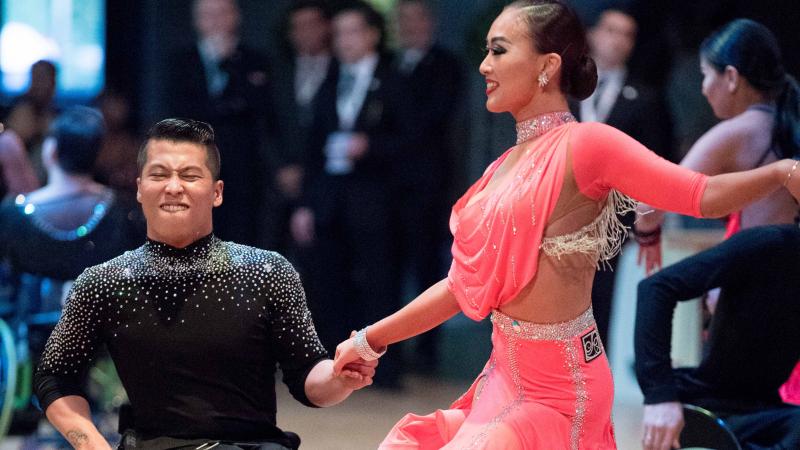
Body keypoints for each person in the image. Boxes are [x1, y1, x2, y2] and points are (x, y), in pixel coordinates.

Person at [332, 1, 800, 448]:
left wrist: (783, 172)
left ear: (547, 65)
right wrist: (369, 340)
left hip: (560, 392)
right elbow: (461, 287)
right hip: (503, 379)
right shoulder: (503, 167)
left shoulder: (587, 144)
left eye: (499, 50)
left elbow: (700, 194)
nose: (483, 66)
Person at [33, 118, 377, 450]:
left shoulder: (268, 271)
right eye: (159, 174)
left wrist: (337, 378)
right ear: (140, 189)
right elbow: (54, 378)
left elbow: (307, 376)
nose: (173, 186)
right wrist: (93, 445)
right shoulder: (102, 282)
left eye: (189, 175)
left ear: (216, 192)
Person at [634, 18, 800, 405]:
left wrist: (647, 233)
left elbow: (656, 201)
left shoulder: (737, 132)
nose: (703, 89)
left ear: (731, 77)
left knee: (739, 414)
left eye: (705, 76)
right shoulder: (789, 121)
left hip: (756, 293)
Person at [291, 1, 407, 388]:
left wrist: (369, 146)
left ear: (373, 34)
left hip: (375, 198)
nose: (344, 41)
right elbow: (312, 146)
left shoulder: (395, 80)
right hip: (329, 197)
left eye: (353, 32)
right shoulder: (330, 78)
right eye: (339, 33)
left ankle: (385, 368)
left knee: (378, 281)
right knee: (326, 279)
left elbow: (414, 141)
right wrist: (306, 204)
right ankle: (333, 363)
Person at [635, 225, 800, 450]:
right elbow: (656, 288)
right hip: (706, 407)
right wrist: (659, 395)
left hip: (766, 413)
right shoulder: (773, 243)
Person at [573, 7, 675, 350]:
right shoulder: (566, 89)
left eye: (627, 34)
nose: (617, 40)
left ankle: (590, 384)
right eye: (611, 30)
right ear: (593, 34)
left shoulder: (644, 98)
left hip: (611, 221)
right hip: (559, 213)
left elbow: (655, 162)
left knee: (599, 304)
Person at [390, 0, 465, 370]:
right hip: (387, 183)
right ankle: (391, 347)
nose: (409, 27)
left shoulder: (445, 66)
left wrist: (388, 137)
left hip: (426, 184)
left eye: (416, 20)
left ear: (430, 24)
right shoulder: (389, 64)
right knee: (389, 264)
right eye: (403, 21)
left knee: (425, 266)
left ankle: (426, 352)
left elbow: (432, 119)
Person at [165, 0, 273, 247]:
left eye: (222, 13)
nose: (215, 21)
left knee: (242, 236)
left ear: (236, 16)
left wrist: (229, 66)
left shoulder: (256, 61)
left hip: (243, 169)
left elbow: (262, 112)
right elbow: (177, 112)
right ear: (196, 20)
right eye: (207, 15)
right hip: (194, 166)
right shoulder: (181, 61)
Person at [3, 60, 59, 182]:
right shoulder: (21, 109)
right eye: (37, 78)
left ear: (54, 82)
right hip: (20, 185)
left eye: (45, 79)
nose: (40, 85)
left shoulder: (56, 115)